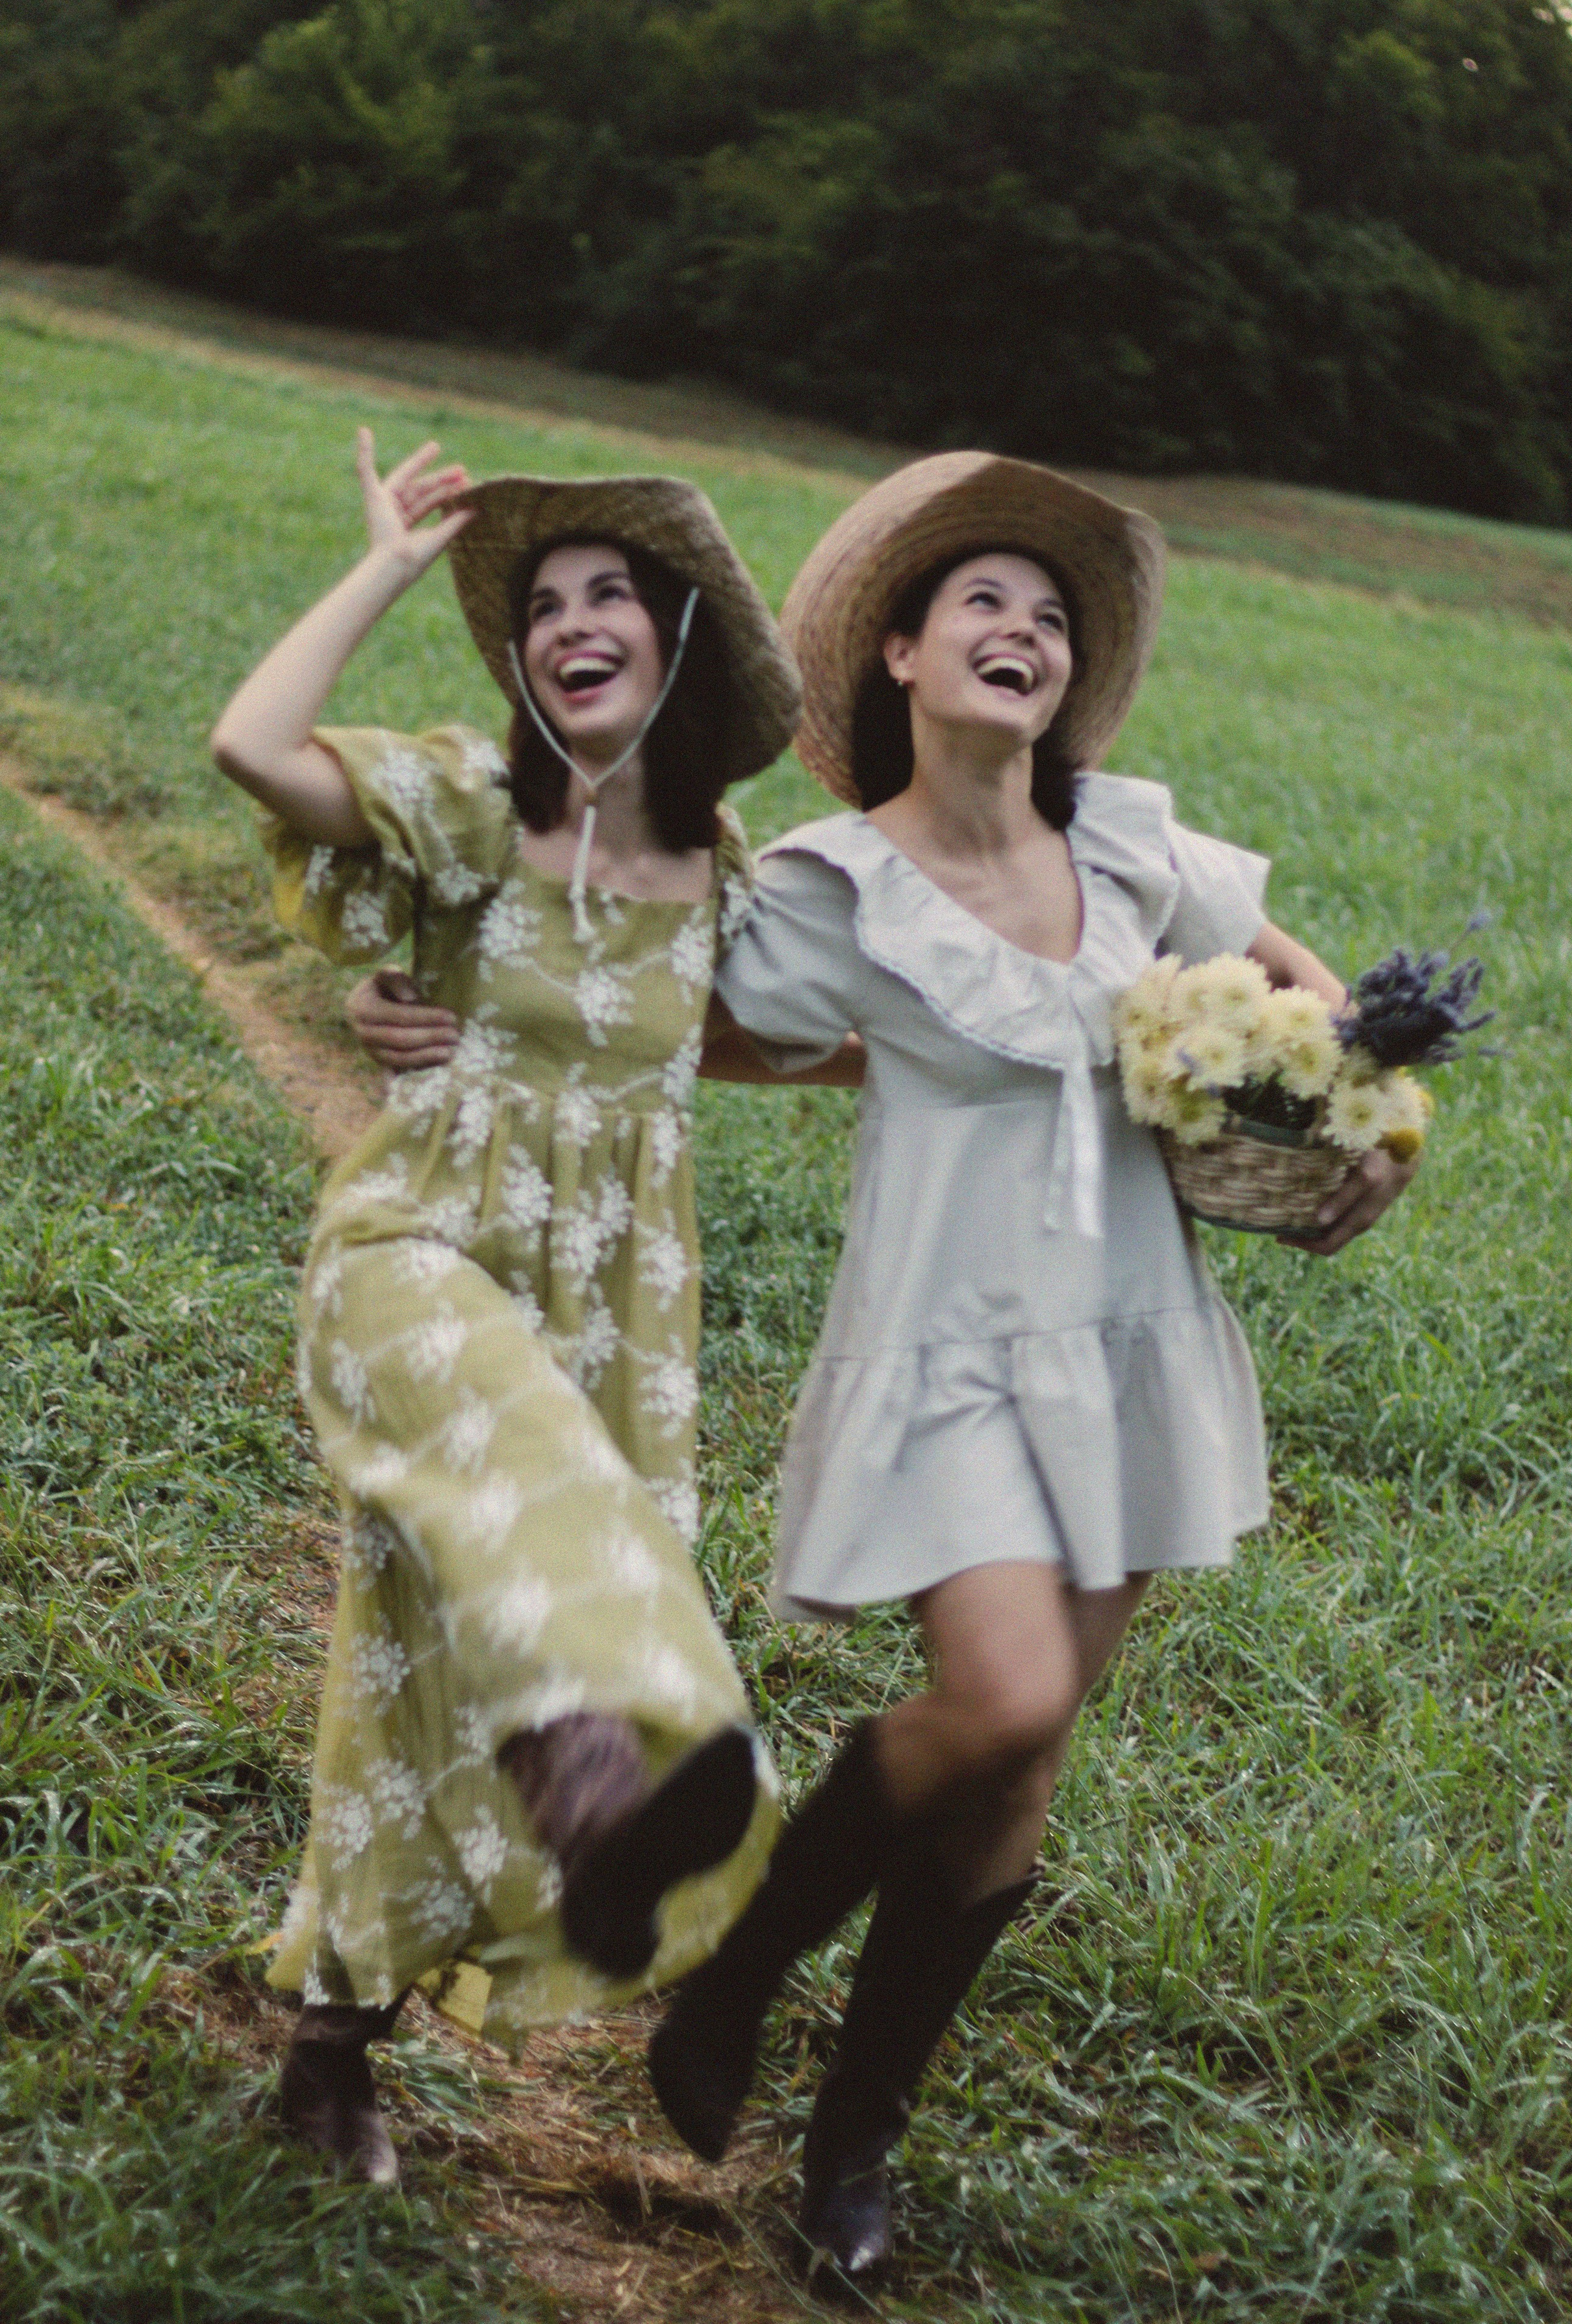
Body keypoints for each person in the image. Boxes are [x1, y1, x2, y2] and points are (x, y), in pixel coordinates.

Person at [351, 452, 1415, 2284]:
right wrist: (424, 999)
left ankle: (851, 2152)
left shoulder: (1141, 849)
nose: (1025, 630)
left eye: (1054, 616)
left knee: (1019, 1773)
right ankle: (749, 1957)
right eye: (984, 604)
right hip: (950, 1352)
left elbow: (1325, 1012)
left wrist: (1369, 1130)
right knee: (998, 1706)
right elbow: (650, 1008)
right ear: (903, 657)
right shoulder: (836, 888)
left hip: (1138, 1347)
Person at [209, 431, 803, 2186]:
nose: (570, 623)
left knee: (430, 1644)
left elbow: (764, 1046)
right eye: (542, 607)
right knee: (547, 1512)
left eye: (609, 593)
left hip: (612, 1315)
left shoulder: (726, 872)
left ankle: (334, 2034)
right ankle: (610, 1781)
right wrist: (390, 558)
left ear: (676, 636)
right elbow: (252, 749)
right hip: (418, 1253)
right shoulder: (479, 808)